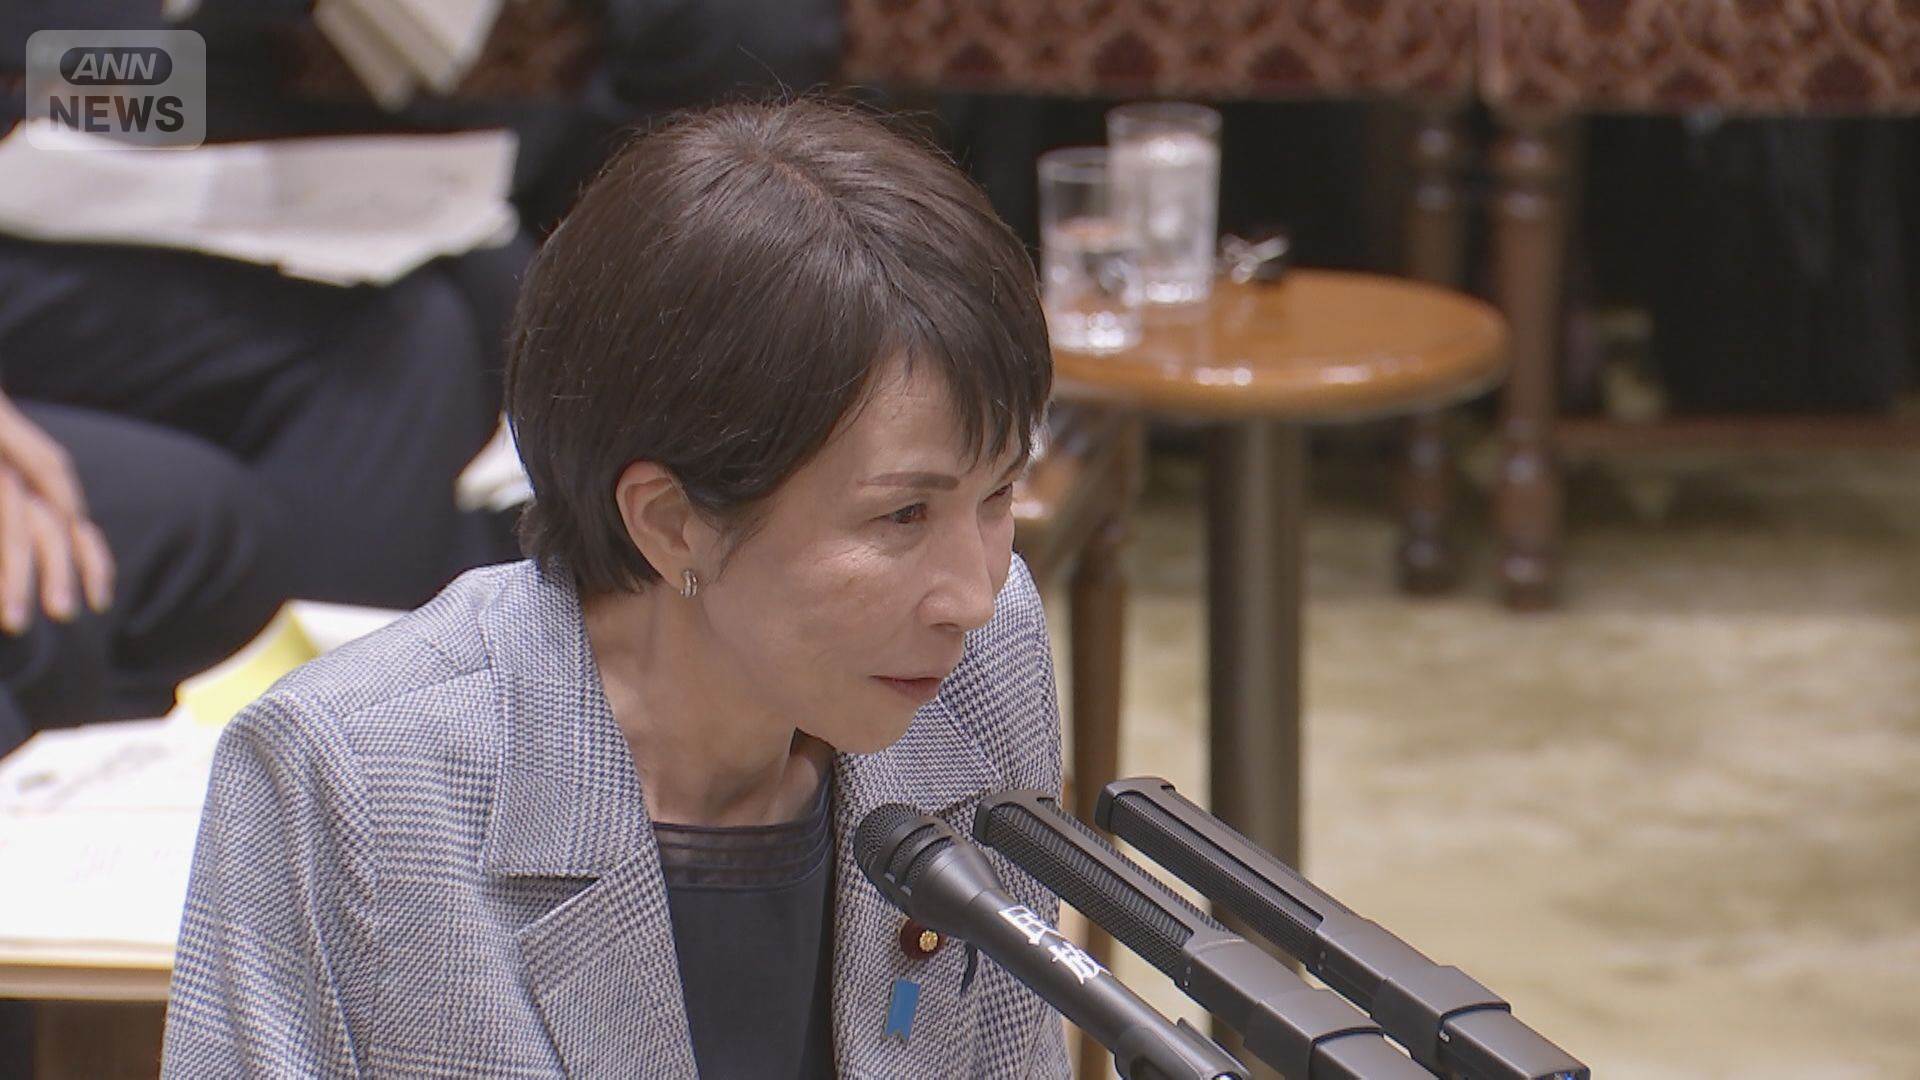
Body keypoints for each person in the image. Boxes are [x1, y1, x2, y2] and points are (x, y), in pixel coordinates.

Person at [162, 99, 1070, 1078]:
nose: (972, 596)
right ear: (673, 522)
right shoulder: (351, 778)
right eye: (902, 516)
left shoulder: (981, 667)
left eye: (998, 495)